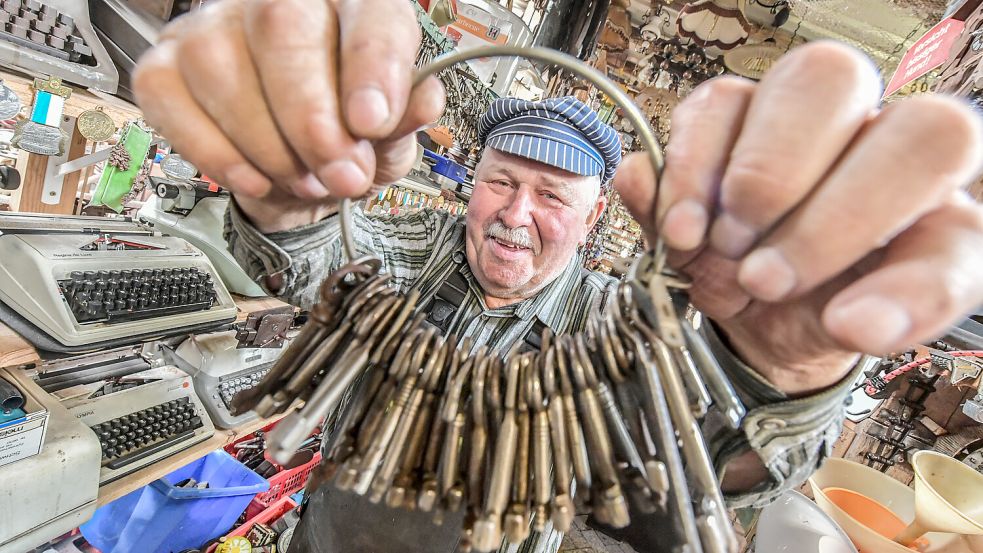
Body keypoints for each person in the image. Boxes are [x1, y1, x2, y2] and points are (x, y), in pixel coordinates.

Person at [133, 1, 983, 551]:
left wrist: (772, 374)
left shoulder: (612, 328)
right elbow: (304, 264)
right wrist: (284, 200)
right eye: (500, 182)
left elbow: (687, 470)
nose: (513, 213)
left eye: (549, 195)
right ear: (470, 184)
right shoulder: (402, 254)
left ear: (594, 215)